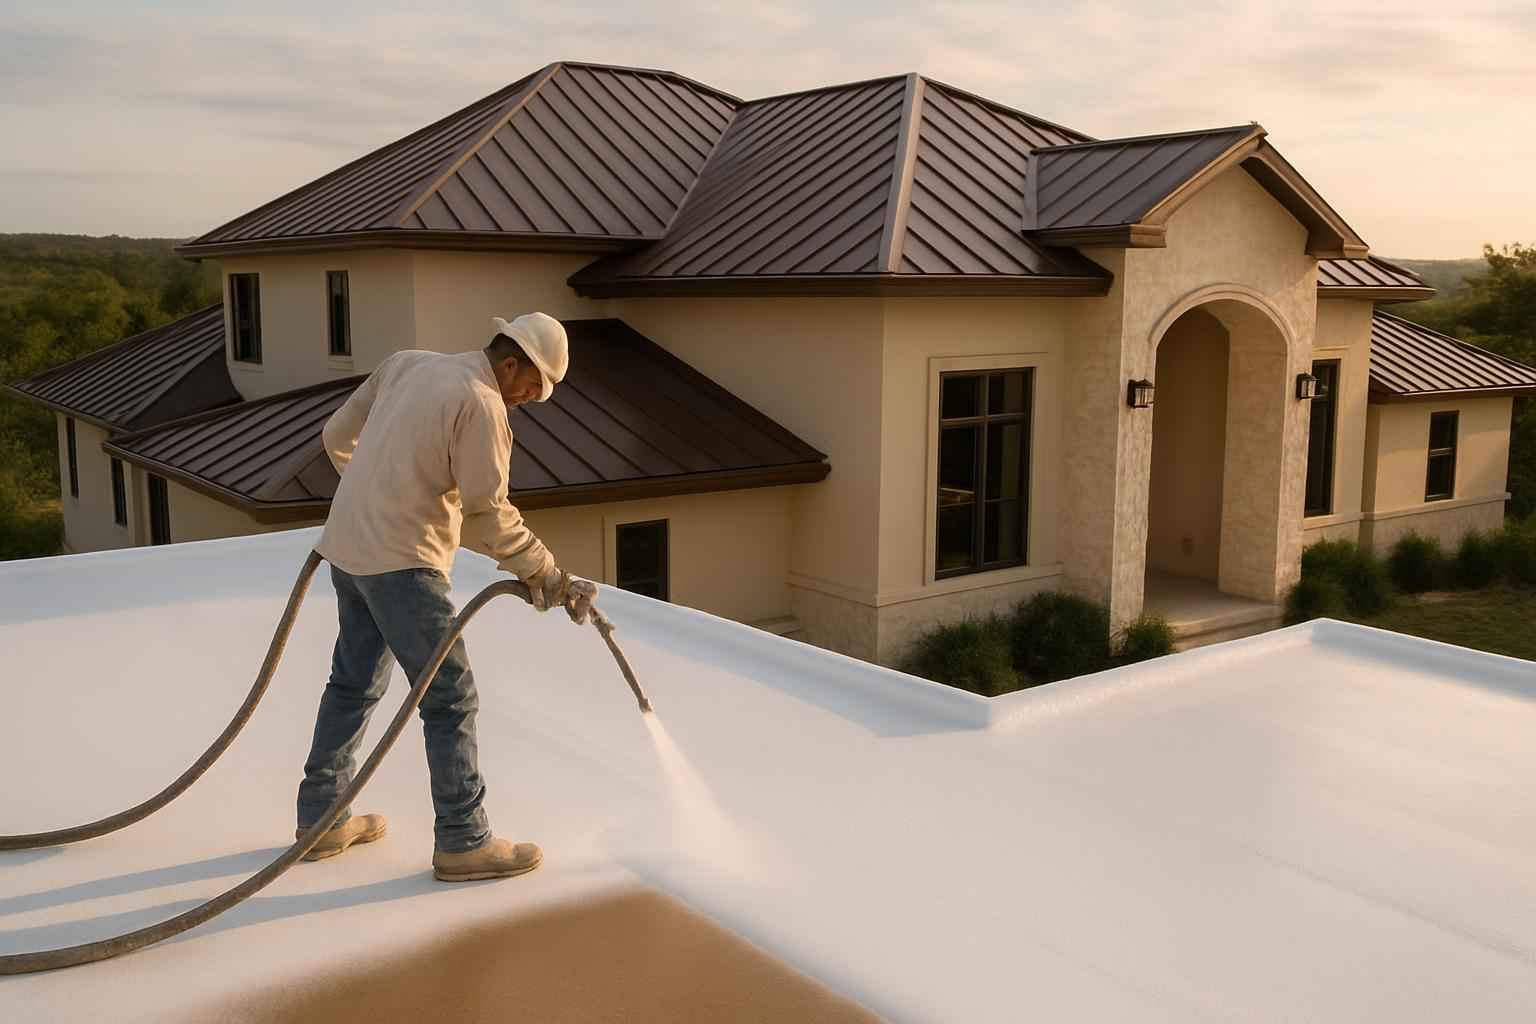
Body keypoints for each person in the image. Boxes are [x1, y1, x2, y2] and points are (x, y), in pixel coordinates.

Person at [293, 312, 596, 882]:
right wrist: (547, 574)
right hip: (404, 565)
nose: (530, 400)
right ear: (510, 365)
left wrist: (375, 491)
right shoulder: (482, 404)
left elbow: (337, 437)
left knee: (353, 683)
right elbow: (490, 512)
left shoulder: (407, 364)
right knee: (450, 694)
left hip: (348, 551)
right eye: (531, 387)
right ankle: (463, 839)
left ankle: (321, 821)